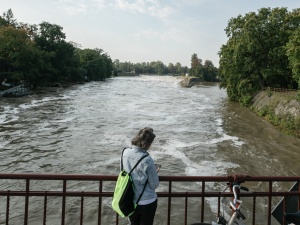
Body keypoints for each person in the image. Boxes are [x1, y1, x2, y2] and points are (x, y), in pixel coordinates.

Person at [122, 127, 159, 225]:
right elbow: (154, 184)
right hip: (147, 201)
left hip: (130, 200)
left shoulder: (125, 153)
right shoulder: (147, 159)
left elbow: (123, 173)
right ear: (148, 143)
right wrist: (155, 172)